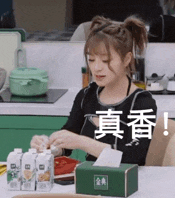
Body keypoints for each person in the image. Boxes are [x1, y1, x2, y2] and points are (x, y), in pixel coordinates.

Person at [30, 15, 157, 166]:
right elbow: (69, 136)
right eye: (91, 60)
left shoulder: (142, 102)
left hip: (126, 183)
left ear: (127, 59)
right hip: (90, 179)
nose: (96, 68)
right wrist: (50, 147)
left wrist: (82, 142)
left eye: (106, 61)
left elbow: (134, 156)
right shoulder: (86, 95)